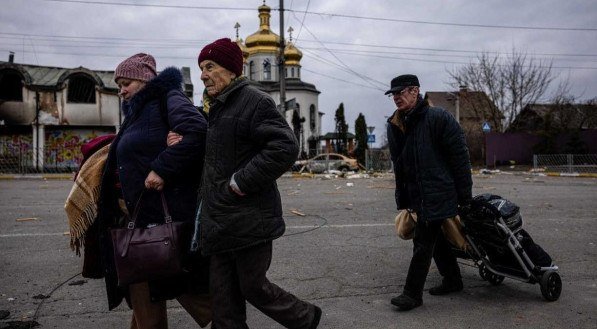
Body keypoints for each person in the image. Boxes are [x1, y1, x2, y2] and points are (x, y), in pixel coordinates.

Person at [196, 38, 322, 329]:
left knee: (252, 286)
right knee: (223, 299)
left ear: (230, 68)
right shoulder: (214, 107)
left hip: (248, 217)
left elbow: (284, 147)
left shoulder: (253, 99)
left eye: (209, 66)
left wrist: (241, 182)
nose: (203, 74)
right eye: (201, 68)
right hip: (218, 219)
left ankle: (305, 317)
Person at [91, 53, 211, 328]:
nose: (121, 90)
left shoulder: (167, 98)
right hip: (137, 216)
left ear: (144, 79)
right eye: (118, 84)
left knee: (187, 289)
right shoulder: (136, 112)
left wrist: (162, 168)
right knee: (144, 290)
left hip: (162, 216)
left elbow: (197, 131)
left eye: (126, 83)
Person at [385, 74, 473, 311]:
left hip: (438, 191)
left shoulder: (437, 118)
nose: (396, 97)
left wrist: (465, 197)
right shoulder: (395, 124)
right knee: (437, 240)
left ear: (415, 91)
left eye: (400, 92)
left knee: (423, 242)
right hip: (415, 194)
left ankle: (412, 294)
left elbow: (460, 159)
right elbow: (400, 164)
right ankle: (453, 279)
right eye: (393, 94)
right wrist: (402, 197)